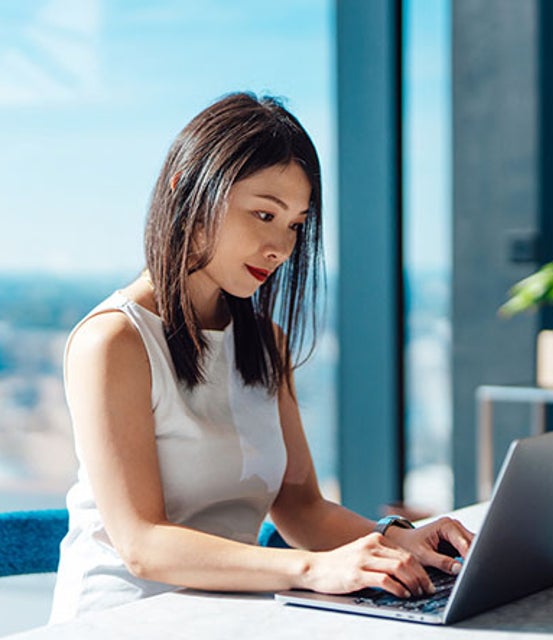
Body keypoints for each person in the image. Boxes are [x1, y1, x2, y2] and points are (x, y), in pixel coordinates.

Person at [49, 92, 473, 623]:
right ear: (187, 193)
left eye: (295, 224)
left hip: (231, 614)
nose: (280, 247)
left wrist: (397, 541)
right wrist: (310, 569)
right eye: (264, 214)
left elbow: (300, 505)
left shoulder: (265, 342)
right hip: (121, 620)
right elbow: (142, 544)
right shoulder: (113, 341)